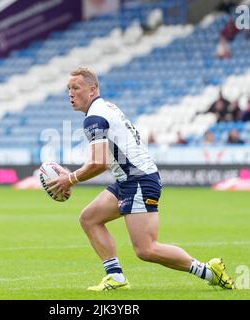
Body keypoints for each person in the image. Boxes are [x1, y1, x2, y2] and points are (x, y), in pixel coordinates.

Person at [47, 67, 236, 291]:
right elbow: (102, 158)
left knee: (146, 250)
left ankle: (208, 271)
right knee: (89, 218)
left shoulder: (95, 117)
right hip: (128, 180)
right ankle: (116, 278)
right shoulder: (103, 109)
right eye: (68, 88)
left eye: (75, 88)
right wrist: (72, 176)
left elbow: (100, 163)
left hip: (138, 181)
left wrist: (70, 179)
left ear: (92, 90)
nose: (70, 93)